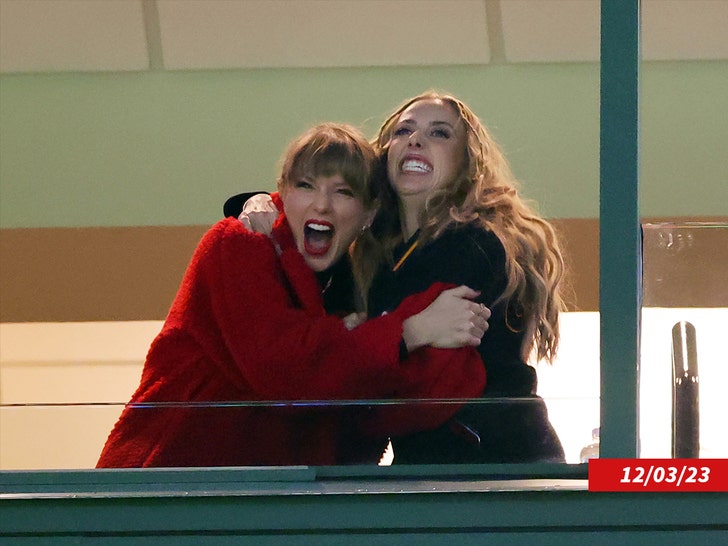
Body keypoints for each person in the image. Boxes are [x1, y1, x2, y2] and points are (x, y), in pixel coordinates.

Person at [96, 122, 488, 468]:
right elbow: (286, 368)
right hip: (169, 490)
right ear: (281, 190)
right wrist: (410, 331)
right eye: (305, 186)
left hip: (275, 506)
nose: (321, 204)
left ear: (368, 214)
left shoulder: (356, 289)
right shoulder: (240, 243)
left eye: (343, 191)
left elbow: (363, 403)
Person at [357, 91, 568, 463]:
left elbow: (411, 388)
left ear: (467, 162)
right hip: (448, 471)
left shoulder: (476, 243)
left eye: (440, 133)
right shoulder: (384, 258)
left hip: (497, 466)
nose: (416, 139)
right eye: (404, 130)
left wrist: (360, 344)